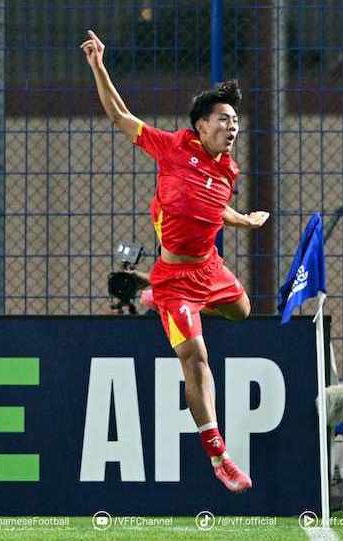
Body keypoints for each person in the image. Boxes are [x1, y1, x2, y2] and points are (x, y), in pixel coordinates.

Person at [81, 30, 269, 492]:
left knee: (243, 312)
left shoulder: (227, 169)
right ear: (200, 125)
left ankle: (149, 296)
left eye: (236, 122)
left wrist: (243, 221)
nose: (233, 128)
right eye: (224, 120)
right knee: (195, 357)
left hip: (211, 267)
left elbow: (214, 207)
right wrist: (98, 65)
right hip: (177, 278)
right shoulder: (172, 147)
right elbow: (120, 116)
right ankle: (219, 456)